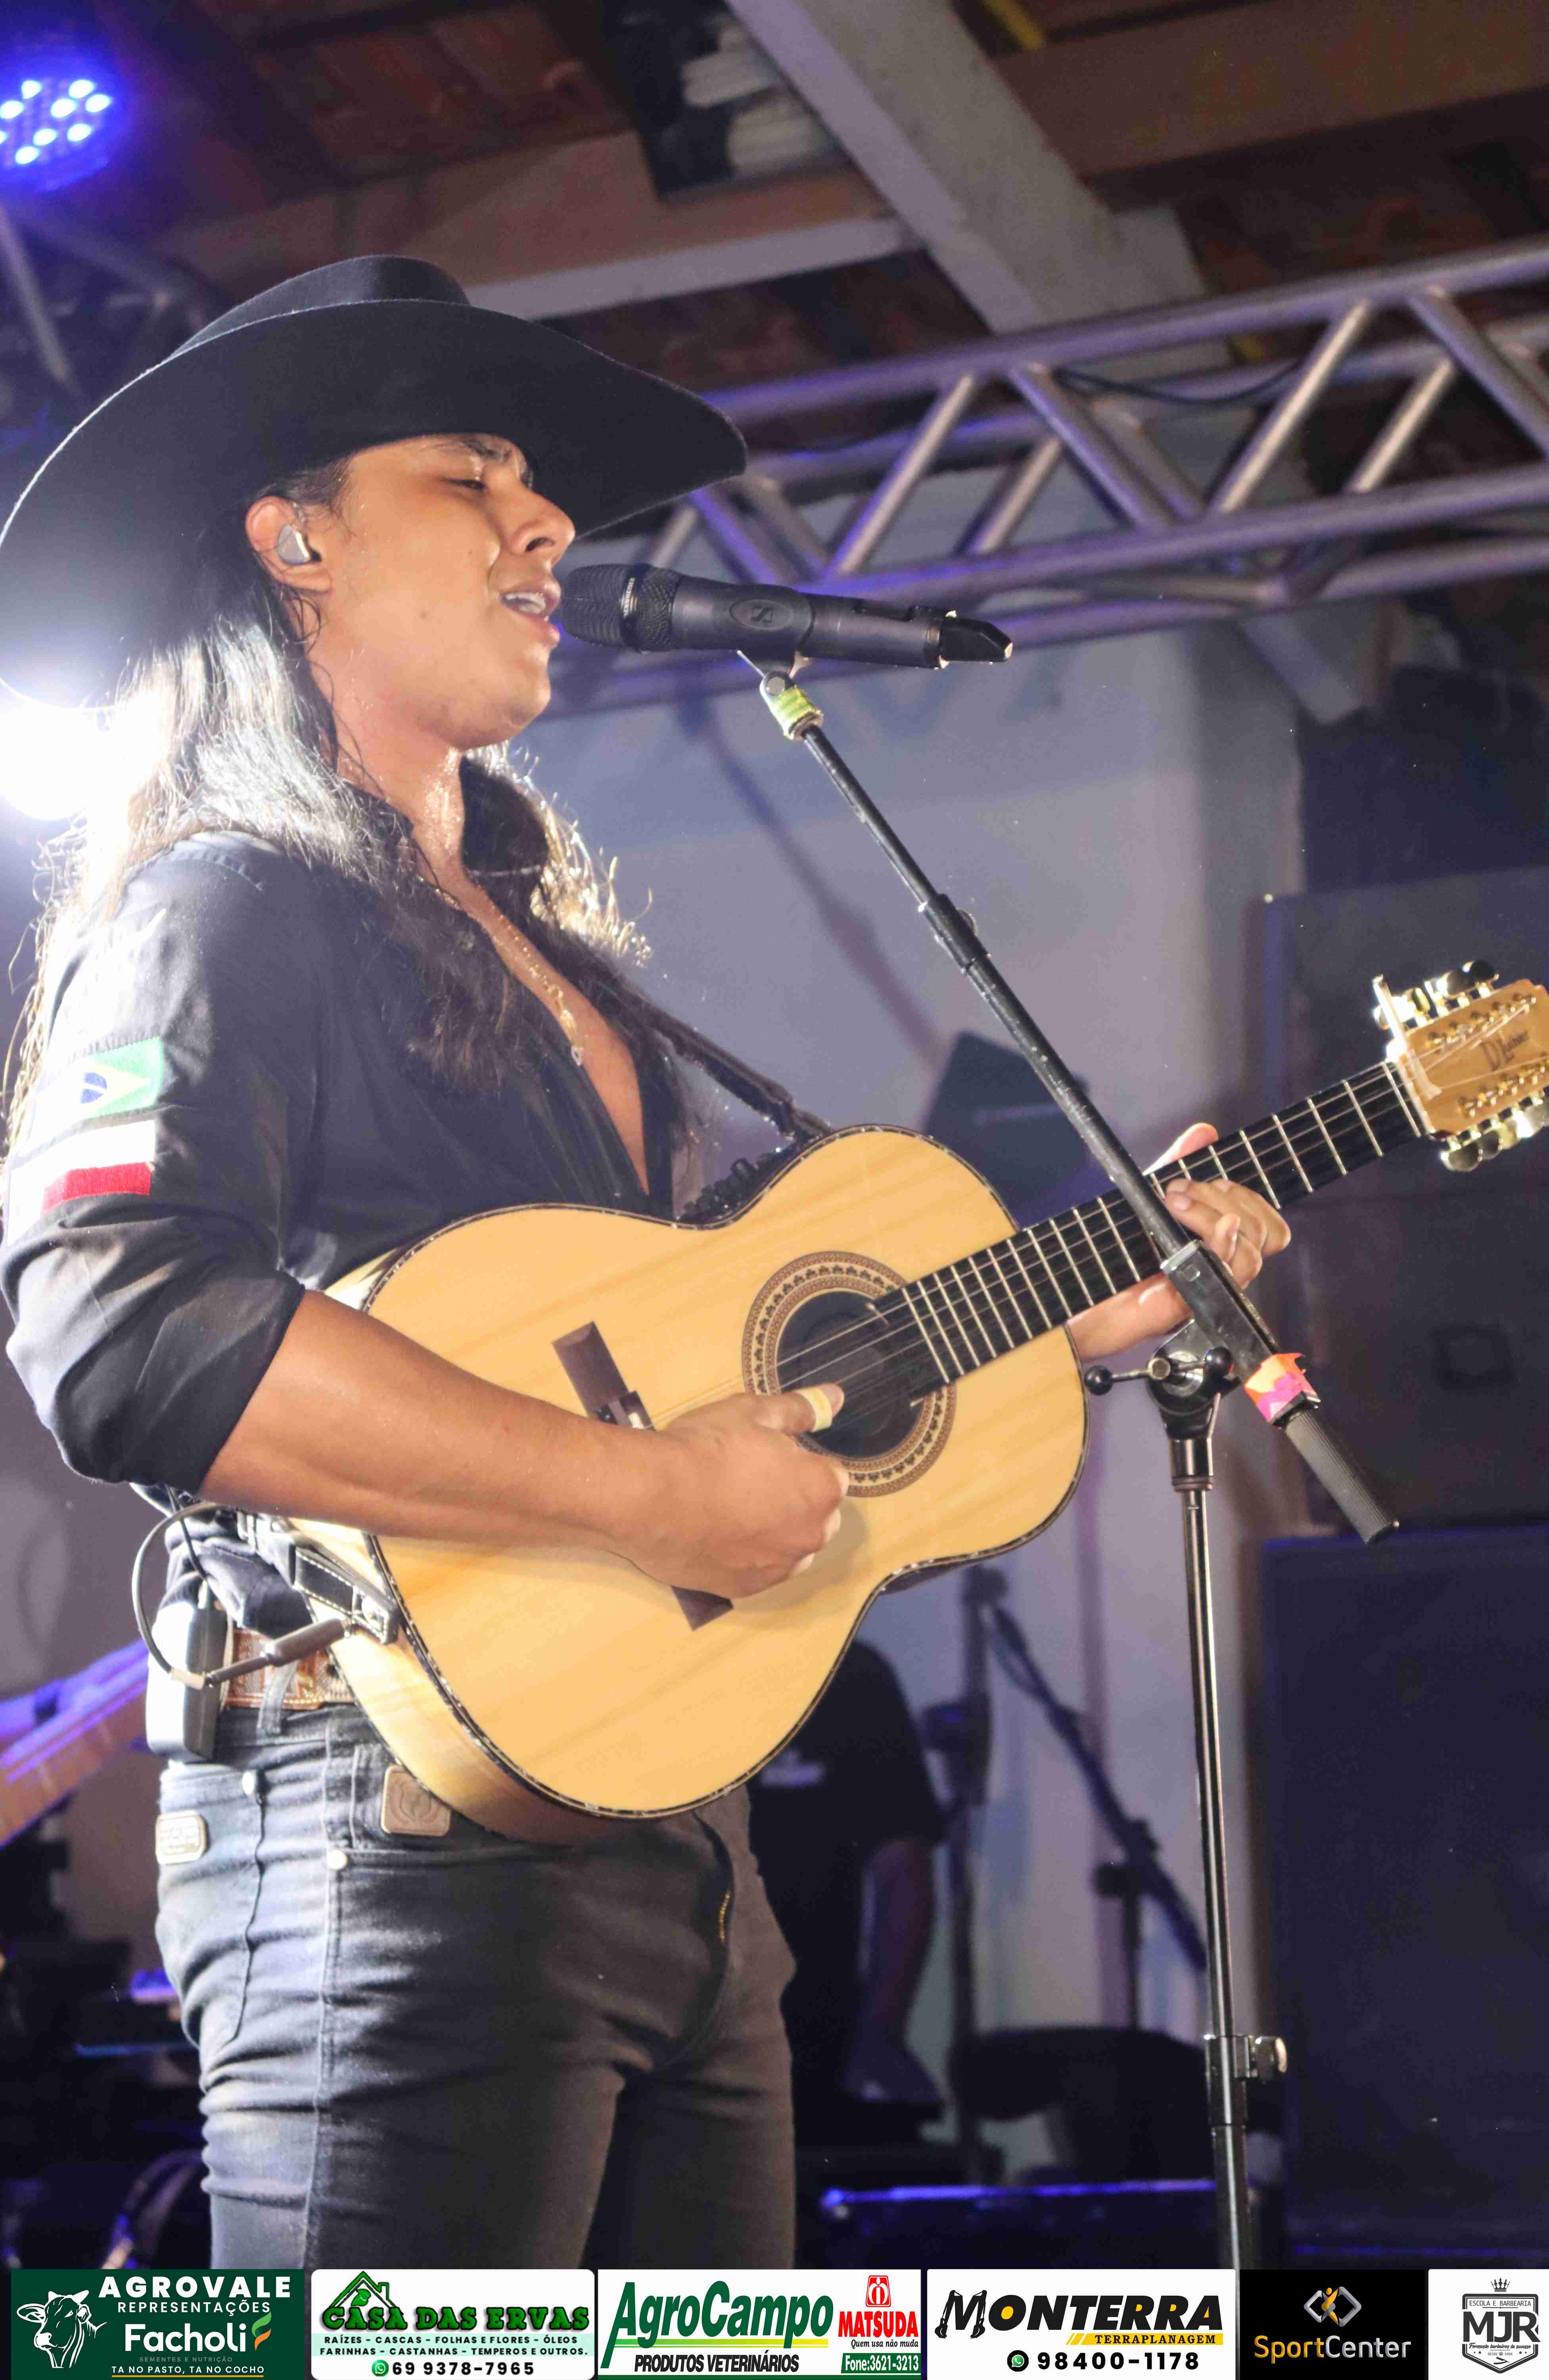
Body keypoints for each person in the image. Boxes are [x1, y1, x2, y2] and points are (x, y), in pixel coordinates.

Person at [0, 256, 1290, 2267]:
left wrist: (1069, 1320)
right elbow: (118, 1325)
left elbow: (729, 1398)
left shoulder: (553, 964)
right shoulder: (219, 906)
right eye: (469, 479)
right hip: (386, 1837)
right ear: (296, 541)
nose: (544, 527)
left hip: (682, 1837)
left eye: (538, 490)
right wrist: (643, 1491)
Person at [749, 1640, 944, 2146]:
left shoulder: (849, 1673)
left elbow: (902, 1870)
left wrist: (880, 2036)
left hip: (816, 2042)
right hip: (667, 2044)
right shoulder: (648, 1673)